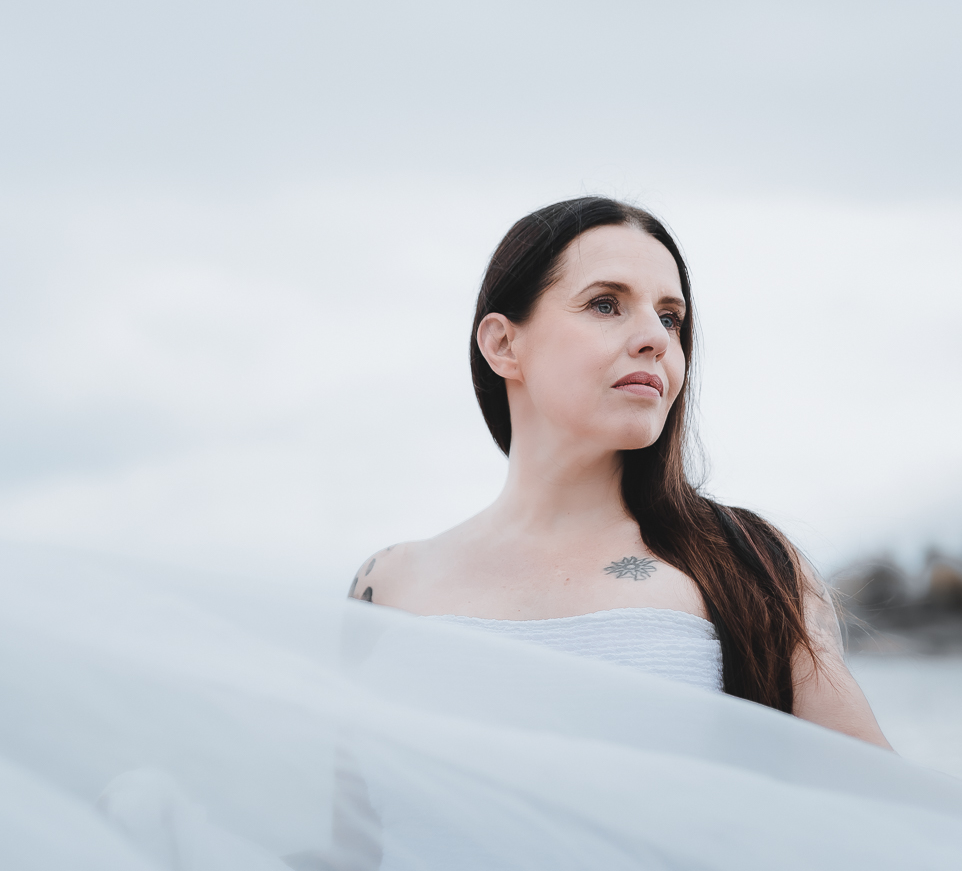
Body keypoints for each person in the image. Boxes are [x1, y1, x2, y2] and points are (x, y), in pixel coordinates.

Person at [349, 196, 890, 747]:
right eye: (606, 304)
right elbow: (353, 800)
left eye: (670, 318)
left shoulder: (748, 565)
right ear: (504, 344)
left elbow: (874, 794)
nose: (657, 338)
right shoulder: (388, 583)